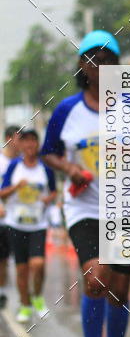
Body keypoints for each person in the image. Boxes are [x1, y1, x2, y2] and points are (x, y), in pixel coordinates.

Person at [41, 30, 130, 337]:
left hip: (125, 204)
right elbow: (49, 151)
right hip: (83, 207)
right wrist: (71, 169)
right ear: (82, 66)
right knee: (95, 278)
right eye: (93, 59)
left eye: (108, 60)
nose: (100, 66)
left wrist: (127, 153)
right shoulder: (67, 110)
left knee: (120, 291)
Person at [0, 129, 56, 323]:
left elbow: (54, 191)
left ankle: (38, 297)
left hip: (38, 225)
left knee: (38, 264)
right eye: (26, 141)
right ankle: (25, 305)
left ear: (37, 144)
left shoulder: (45, 168)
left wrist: (48, 199)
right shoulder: (14, 166)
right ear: (21, 145)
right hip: (16, 225)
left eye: (34, 141)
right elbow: (3, 193)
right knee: (22, 269)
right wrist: (17, 187)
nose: (30, 145)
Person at [0, 125, 21, 309]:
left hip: (18, 219)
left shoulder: (24, 162)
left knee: (7, 259)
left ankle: (3, 289)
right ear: (8, 139)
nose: (21, 143)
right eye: (17, 138)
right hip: (1, 218)